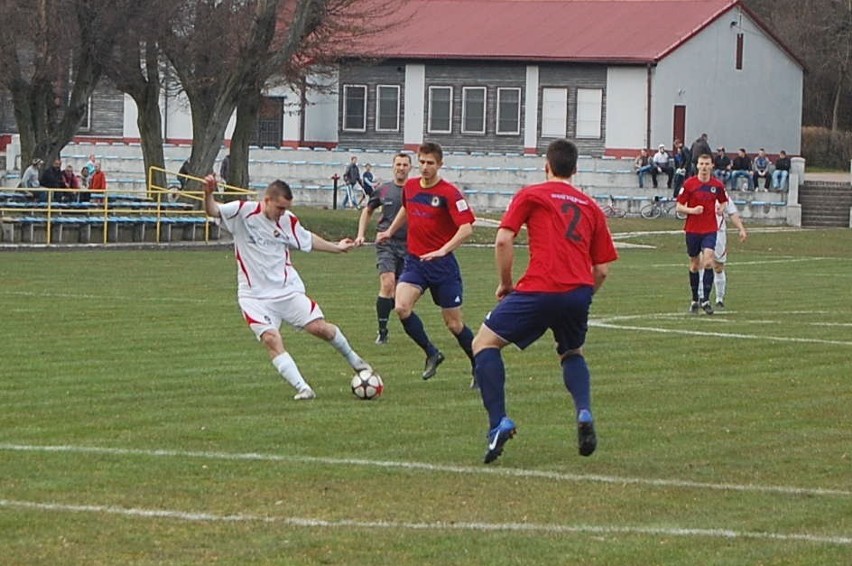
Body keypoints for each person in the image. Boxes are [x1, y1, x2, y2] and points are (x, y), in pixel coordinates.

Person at [472, 138, 618, 464]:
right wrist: (580, 298)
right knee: (572, 352)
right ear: (575, 170)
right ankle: (583, 412)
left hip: (540, 287)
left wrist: (506, 284)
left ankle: (498, 422)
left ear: (546, 166)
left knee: (484, 344)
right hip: (579, 291)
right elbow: (602, 270)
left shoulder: (532, 194)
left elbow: (503, 239)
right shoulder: (591, 207)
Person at [202, 175, 372, 400]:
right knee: (271, 339)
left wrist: (337, 248)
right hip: (253, 296)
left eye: (286, 209)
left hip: (287, 291)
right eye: (280, 208)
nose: (282, 213)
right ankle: (304, 388)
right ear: (267, 200)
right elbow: (213, 210)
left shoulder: (287, 220)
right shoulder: (242, 211)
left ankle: (356, 361)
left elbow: (306, 239)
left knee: (321, 329)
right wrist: (208, 193)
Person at [375, 142, 476, 384]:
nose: (425, 167)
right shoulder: (410, 187)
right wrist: (389, 231)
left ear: (440, 164)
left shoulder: (449, 193)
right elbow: (407, 210)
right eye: (421, 162)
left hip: (443, 267)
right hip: (416, 262)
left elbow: (466, 228)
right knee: (401, 307)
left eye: (430, 163)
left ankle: (478, 364)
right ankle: (431, 353)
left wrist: (443, 250)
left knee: (454, 324)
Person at [355, 153, 412, 345]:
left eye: (405, 165)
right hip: (386, 244)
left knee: (400, 293)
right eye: (398, 164)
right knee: (387, 284)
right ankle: (382, 331)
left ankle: (409, 328)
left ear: (410, 168)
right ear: (393, 166)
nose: (401, 168)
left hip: (410, 246)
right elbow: (367, 210)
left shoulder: (415, 190)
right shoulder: (384, 189)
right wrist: (361, 234)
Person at [676, 153, 730, 316]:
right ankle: (694, 299)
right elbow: (679, 206)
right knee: (694, 264)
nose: (704, 167)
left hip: (709, 230)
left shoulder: (717, 185)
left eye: (707, 164)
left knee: (708, 262)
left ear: (712, 166)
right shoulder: (689, 184)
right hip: (692, 230)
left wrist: (722, 207)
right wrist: (692, 210)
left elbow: (723, 200)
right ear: (697, 166)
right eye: (702, 164)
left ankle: (705, 300)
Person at [699, 197, 747, 309]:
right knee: (704, 262)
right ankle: (701, 296)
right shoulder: (698, 190)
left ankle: (719, 299)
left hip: (719, 233)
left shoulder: (722, 194)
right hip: (702, 231)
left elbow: (732, 213)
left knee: (718, 267)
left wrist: (741, 229)